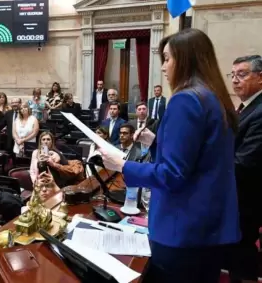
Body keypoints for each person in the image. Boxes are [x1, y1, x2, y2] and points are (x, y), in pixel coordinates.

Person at [99, 28, 241, 282]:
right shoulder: (213, 97)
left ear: (186, 58)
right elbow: (200, 158)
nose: (163, 67)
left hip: (181, 228)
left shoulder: (184, 100)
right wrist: (156, 143)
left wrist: (123, 165)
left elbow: (173, 175)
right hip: (209, 225)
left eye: (167, 58)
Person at [228, 55, 262, 283]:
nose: (235, 80)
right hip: (237, 196)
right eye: (233, 75)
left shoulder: (260, 112)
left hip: (247, 198)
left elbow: (244, 163)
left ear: (260, 78)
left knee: (242, 251)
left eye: (242, 74)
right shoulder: (246, 108)